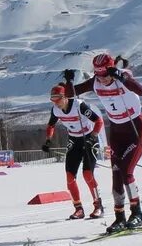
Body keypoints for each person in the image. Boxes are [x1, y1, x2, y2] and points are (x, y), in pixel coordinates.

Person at [65, 54, 142, 232]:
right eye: (98, 75)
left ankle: (137, 214)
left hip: (135, 129)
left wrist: (121, 76)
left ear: (111, 70)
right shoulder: (95, 82)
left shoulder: (122, 78)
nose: (101, 80)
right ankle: (119, 217)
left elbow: (141, 91)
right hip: (117, 132)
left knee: (127, 172)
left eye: (105, 75)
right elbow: (70, 93)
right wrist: (69, 82)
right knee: (116, 174)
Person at [42, 83, 105, 219]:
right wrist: (48, 140)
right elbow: (51, 125)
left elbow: (99, 121)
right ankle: (78, 209)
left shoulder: (79, 105)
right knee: (70, 177)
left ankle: (98, 205)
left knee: (88, 174)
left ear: (65, 97)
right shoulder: (56, 110)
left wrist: (93, 137)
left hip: (89, 138)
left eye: (58, 100)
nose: (56, 103)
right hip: (74, 140)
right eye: (53, 100)